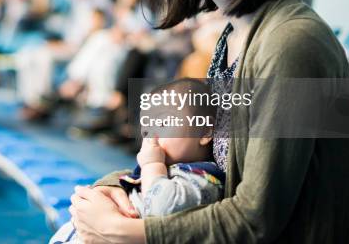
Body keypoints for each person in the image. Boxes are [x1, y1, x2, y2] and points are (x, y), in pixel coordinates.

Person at [69, 0, 349, 243]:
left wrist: (121, 229)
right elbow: (207, 169)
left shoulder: (291, 42)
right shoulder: (232, 35)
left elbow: (256, 219)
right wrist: (113, 188)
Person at [50, 79, 223, 244]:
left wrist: (152, 166)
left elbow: (160, 209)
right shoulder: (167, 167)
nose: (151, 135)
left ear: (204, 133)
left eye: (163, 122)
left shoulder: (202, 180)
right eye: (147, 126)